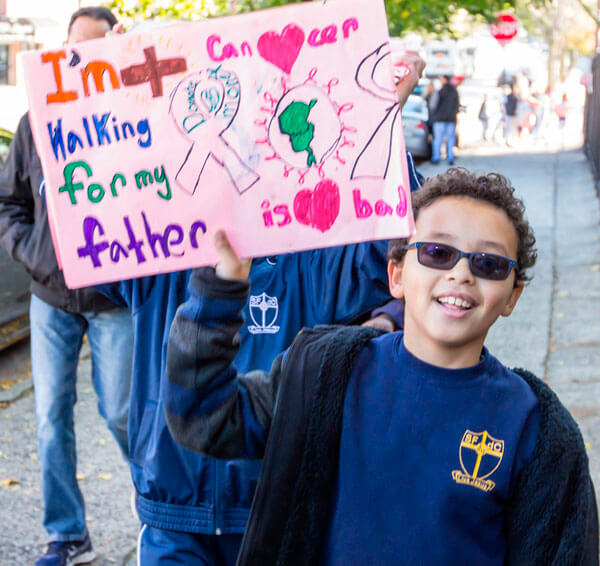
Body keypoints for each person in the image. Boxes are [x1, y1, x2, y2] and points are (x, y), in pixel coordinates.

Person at [165, 168, 599, 565]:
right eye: (436, 252)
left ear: (512, 295)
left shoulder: (536, 426)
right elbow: (202, 414)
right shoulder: (325, 374)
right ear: (396, 275)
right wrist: (217, 291)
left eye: (488, 263)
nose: (461, 275)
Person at [97, 55, 426, 564]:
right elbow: (83, 238)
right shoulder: (157, 257)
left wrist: (382, 120)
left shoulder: (309, 254)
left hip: (276, 504)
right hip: (173, 505)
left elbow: (386, 247)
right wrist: (91, 113)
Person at [0, 7, 133, 566]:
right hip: (51, 298)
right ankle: (67, 535)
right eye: (70, 49)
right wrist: (40, 261)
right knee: (50, 416)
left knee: (125, 412)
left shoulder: (135, 118)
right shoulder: (34, 123)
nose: (77, 61)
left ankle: (157, 511)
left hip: (115, 300)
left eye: (94, 49)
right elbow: (9, 206)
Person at [430, 74, 459, 165]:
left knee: (438, 139)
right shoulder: (455, 92)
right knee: (450, 139)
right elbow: (457, 105)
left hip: (439, 119)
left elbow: (432, 105)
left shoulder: (439, 92)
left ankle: (436, 158)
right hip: (451, 119)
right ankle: (450, 157)